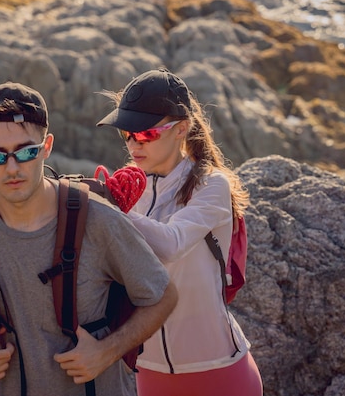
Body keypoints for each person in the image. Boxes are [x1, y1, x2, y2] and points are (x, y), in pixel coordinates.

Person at [0, 81, 178, 396]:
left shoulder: (98, 220)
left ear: (47, 146)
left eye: (26, 152)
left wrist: (107, 352)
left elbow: (163, 295)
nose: (12, 167)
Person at [97, 68, 263, 396]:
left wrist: (109, 210)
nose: (133, 143)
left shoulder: (211, 185)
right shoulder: (128, 189)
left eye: (144, 134)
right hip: (150, 372)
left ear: (181, 129)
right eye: (126, 134)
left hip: (221, 371)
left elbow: (171, 244)